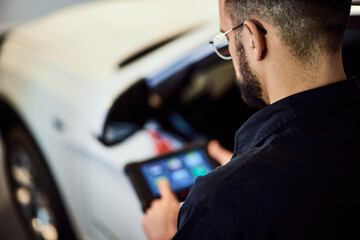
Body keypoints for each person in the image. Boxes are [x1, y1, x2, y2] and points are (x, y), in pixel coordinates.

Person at [142, 0, 360, 239]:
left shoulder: (218, 208)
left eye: (227, 37)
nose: (230, 52)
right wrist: (244, 172)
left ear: (253, 37)